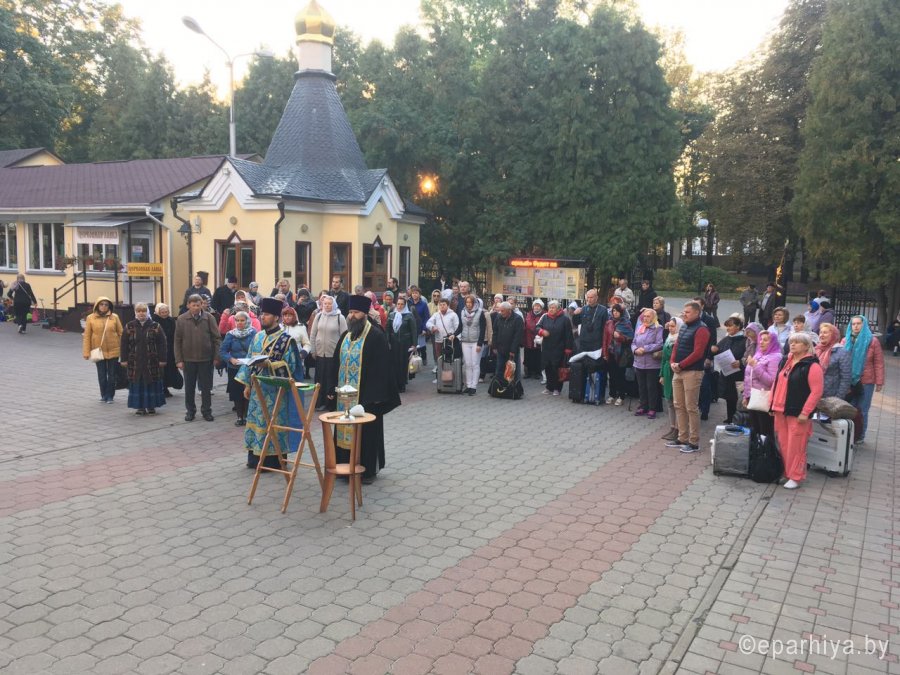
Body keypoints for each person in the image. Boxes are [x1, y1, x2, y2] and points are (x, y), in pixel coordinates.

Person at [329, 295, 401, 482]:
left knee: (367, 434)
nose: (352, 316)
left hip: (366, 398)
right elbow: (336, 363)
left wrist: (374, 397)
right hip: (345, 398)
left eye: (356, 312)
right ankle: (344, 466)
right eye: (350, 312)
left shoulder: (376, 336)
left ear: (365, 314)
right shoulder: (346, 337)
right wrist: (330, 389)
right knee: (343, 429)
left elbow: (382, 368)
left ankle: (366, 471)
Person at [235, 297, 305, 468]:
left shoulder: (286, 340)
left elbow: (291, 367)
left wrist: (269, 364)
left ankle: (274, 460)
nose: (262, 317)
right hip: (257, 390)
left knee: (273, 424)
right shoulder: (257, 337)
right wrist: (247, 384)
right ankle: (255, 459)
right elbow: (250, 359)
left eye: (266, 314)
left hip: (276, 393)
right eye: (262, 314)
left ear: (276, 317)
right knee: (257, 422)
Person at [771, 333, 824, 489]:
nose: (792, 345)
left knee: (796, 445)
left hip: (797, 412)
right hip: (780, 409)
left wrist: (805, 412)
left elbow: (816, 392)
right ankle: (787, 472)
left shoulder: (812, 366)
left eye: (797, 342)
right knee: (784, 444)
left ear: (806, 346)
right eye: (791, 342)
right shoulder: (785, 361)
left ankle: (796, 476)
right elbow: (776, 382)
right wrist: (771, 404)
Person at [666, 301, 711, 453]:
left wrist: (681, 364)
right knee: (678, 405)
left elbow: (698, 353)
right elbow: (676, 346)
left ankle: (693, 442)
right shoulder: (684, 326)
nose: (684, 314)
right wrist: (673, 362)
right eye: (684, 311)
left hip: (692, 372)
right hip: (678, 370)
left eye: (688, 312)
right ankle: (682, 437)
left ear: (697, 313)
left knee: (691, 406)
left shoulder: (702, 329)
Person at [174, 294, 221, 422]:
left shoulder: (209, 318)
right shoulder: (181, 319)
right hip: (188, 360)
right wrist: (179, 360)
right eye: (193, 305)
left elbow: (216, 338)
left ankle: (206, 411)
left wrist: (216, 356)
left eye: (198, 305)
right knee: (189, 388)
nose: (196, 307)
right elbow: (177, 341)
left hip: (206, 359)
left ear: (202, 305)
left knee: (206, 388)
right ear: (188, 305)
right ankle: (190, 411)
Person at [842, 315, 884, 444]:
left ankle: (860, 435)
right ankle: (849, 435)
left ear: (864, 324)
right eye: (853, 324)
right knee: (850, 408)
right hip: (849, 381)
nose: (855, 326)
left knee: (863, 409)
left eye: (858, 323)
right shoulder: (845, 340)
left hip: (866, 381)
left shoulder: (872, 341)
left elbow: (878, 362)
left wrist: (879, 382)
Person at [120, 303, 167, 416]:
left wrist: (162, 359)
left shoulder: (155, 326)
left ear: (147, 312)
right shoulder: (129, 326)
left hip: (152, 362)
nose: (141, 313)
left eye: (144, 311)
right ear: (135, 312)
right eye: (139, 311)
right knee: (138, 383)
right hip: (135, 361)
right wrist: (124, 359)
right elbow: (124, 344)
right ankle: (140, 407)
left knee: (151, 383)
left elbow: (162, 343)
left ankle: (151, 406)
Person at [309, 294, 347, 412]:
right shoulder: (319, 316)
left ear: (334, 304)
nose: (327, 306)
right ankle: (319, 402)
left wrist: (342, 353)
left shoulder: (340, 317)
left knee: (331, 379)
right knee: (319, 379)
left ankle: (330, 403)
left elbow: (345, 337)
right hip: (320, 353)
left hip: (333, 354)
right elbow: (313, 334)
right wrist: (313, 350)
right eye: (325, 303)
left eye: (329, 303)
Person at [82, 297, 124, 403]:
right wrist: (86, 352)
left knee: (112, 375)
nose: (104, 306)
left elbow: (121, 333)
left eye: (106, 304)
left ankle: (110, 396)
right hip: (98, 351)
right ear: (97, 305)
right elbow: (87, 336)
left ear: (109, 306)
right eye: (101, 304)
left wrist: (124, 350)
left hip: (114, 349)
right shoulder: (90, 318)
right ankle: (104, 394)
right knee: (102, 375)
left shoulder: (114, 317)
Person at [741, 329, 781, 439]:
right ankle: (757, 448)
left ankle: (766, 449)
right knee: (755, 430)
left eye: (766, 340)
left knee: (765, 432)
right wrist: (746, 396)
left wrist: (755, 366)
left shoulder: (775, 357)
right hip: (753, 397)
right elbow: (748, 377)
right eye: (761, 339)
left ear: (772, 342)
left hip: (764, 399)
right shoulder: (758, 354)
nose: (761, 342)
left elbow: (771, 381)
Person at [220, 311, 257, 426]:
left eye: (242, 320)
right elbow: (222, 351)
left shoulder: (254, 333)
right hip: (234, 367)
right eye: (237, 320)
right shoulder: (230, 334)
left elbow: (258, 348)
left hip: (249, 367)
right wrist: (230, 359)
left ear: (247, 321)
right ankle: (239, 417)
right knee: (237, 392)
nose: (239, 323)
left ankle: (247, 416)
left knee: (248, 391)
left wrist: (252, 359)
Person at [572, 289, 608, 402]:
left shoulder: (603, 310)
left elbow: (606, 328)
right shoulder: (583, 309)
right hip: (584, 343)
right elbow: (576, 322)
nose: (589, 300)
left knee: (597, 368)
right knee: (583, 369)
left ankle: (598, 395)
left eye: (592, 297)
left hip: (596, 344)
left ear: (596, 298)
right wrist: (575, 314)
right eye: (587, 297)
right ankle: (582, 394)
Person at [710, 316, 747, 424]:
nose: (728, 328)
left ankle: (738, 418)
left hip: (739, 373)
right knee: (729, 397)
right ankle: (730, 417)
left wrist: (740, 362)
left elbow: (748, 356)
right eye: (727, 326)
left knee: (738, 397)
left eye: (730, 326)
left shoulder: (745, 340)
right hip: (727, 372)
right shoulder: (727, 338)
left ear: (738, 327)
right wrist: (714, 349)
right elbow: (718, 348)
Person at [536, 300, 574, 396]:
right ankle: (549, 387)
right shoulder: (544, 317)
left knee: (557, 368)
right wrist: (541, 332)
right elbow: (537, 327)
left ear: (558, 309)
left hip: (559, 348)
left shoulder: (565, 319)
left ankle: (557, 388)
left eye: (553, 308)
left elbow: (569, 335)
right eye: (550, 308)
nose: (551, 309)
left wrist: (568, 348)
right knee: (547, 367)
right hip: (547, 347)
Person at [631, 308, 664, 417]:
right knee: (642, 386)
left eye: (648, 316)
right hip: (639, 361)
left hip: (652, 363)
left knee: (651, 387)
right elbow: (633, 342)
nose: (645, 318)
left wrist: (645, 349)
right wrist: (635, 350)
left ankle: (652, 408)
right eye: (644, 316)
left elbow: (659, 344)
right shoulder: (640, 327)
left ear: (653, 317)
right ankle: (643, 406)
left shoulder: (658, 328)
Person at [603, 304, 634, 406]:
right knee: (611, 375)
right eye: (613, 311)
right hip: (611, 352)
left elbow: (631, 338)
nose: (615, 313)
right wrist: (604, 352)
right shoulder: (609, 323)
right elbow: (605, 339)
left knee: (620, 375)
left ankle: (621, 396)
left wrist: (620, 337)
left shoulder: (626, 323)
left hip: (621, 353)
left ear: (621, 312)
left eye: (617, 311)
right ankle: (612, 395)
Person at [659, 317, 684, 441]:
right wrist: (662, 375)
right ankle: (672, 427)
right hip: (667, 371)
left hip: (675, 371)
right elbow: (664, 358)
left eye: (673, 326)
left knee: (677, 402)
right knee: (669, 400)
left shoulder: (680, 340)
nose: (670, 328)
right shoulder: (669, 338)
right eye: (670, 326)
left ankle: (679, 429)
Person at [426, 296, 461, 382]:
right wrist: (432, 327)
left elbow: (457, 327)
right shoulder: (436, 314)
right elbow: (428, 323)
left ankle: (451, 378)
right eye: (440, 305)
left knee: (450, 360)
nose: (442, 306)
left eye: (444, 305)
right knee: (440, 359)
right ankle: (439, 378)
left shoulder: (453, 315)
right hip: (438, 340)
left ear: (448, 305)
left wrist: (456, 337)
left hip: (450, 341)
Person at [387, 295, 418, 393]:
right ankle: (395, 384)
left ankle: (402, 384)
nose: (399, 306)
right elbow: (388, 330)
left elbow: (414, 331)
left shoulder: (409, 315)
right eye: (398, 304)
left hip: (405, 343)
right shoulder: (392, 315)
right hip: (394, 342)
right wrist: (387, 342)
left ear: (405, 305)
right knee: (394, 363)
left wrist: (414, 344)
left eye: (402, 304)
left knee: (403, 363)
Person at [459, 294, 487, 395]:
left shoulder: (480, 313)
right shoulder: (463, 312)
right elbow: (460, 326)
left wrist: (480, 343)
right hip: (465, 341)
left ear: (474, 303)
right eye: (467, 302)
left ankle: (474, 386)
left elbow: (483, 329)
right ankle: (468, 385)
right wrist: (453, 334)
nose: (468, 304)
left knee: (475, 364)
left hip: (476, 341)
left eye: (470, 302)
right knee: (467, 364)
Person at [491, 301, 524, 383]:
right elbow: (495, 332)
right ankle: (499, 386)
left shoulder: (518, 319)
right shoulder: (498, 317)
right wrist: (494, 346)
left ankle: (513, 387)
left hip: (511, 350)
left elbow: (518, 336)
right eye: (500, 310)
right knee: (499, 369)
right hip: (500, 348)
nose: (500, 313)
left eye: (502, 311)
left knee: (512, 371)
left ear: (509, 310)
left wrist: (513, 350)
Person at [816, 322, 851, 399]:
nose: (821, 335)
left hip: (831, 396)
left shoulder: (842, 352)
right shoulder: (817, 350)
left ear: (833, 335)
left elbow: (846, 378)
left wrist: (838, 397)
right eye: (820, 332)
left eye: (825, 333)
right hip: (815, 394)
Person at [152, 303, 180, 397]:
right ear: (158, 312)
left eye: (166, 312)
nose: (164, 314)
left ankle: (166, 387)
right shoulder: (154, 321)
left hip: (170, 348)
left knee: (169, 369)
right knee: (160, 370)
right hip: (158, 349)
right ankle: (161, 388)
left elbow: (175, 333)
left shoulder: (171, 320)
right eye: (162, 312)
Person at [407, 286, 431, 365]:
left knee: (421, 347)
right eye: (413, 293)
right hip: (411, 328)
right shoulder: (408, 303)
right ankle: (413, 362)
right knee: (413, 346)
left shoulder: (423, 304)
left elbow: (426, 317)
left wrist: (424, 328)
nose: (414, 295)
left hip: (420, 328)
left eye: (416, 293)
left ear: (419, 295)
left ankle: (423, 358)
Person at [523, 299, 546, 380]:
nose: (536, 307)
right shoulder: (528, 314)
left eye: (538, 306)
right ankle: (528, 372)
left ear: (541, 307)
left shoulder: (544, 315)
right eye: (535, 306)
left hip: (538, 339)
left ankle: (537, 372)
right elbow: (525, 326)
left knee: (537, 356)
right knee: (528, 356)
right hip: (528, 339)